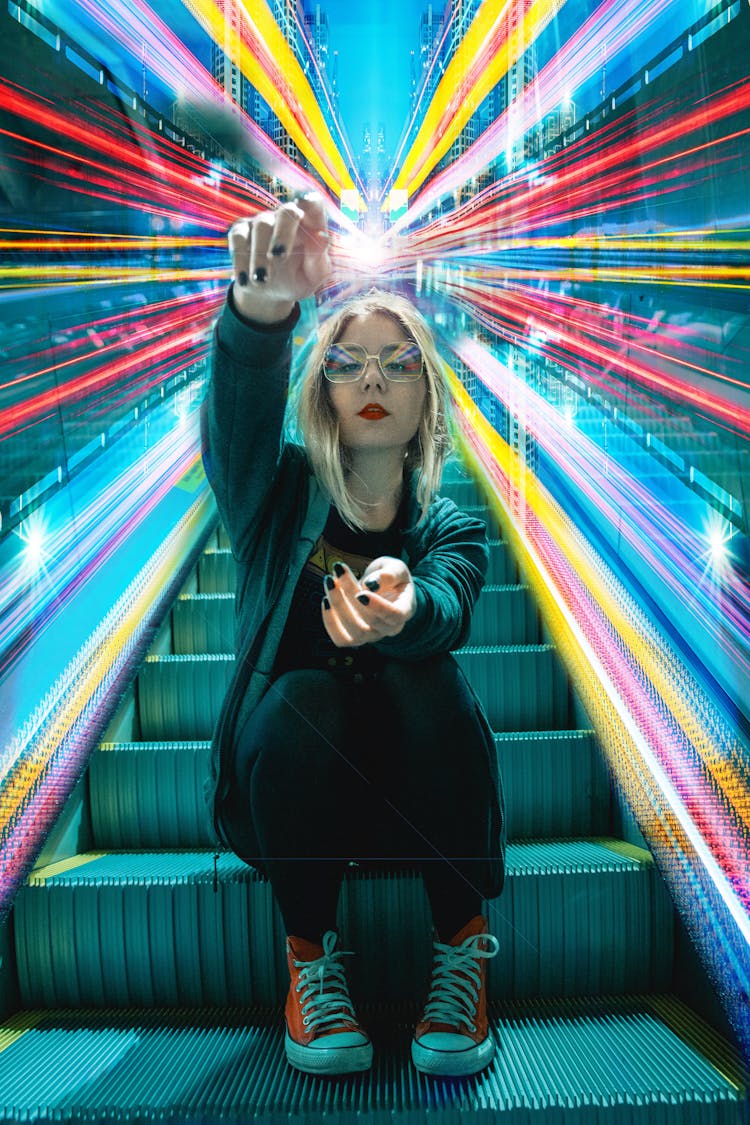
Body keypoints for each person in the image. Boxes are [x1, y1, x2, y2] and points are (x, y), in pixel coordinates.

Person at [201, 193, 506, 1079]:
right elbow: (239, 424)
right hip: (295, 789)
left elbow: (450, 599)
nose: (373, 378)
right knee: (305, 693)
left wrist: (407, 613)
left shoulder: (453, 524)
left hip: (422, 789)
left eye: (397, 362)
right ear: (323, 388)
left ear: (426, 395)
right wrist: (263, 308)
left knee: (424, 673)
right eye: (350, 361)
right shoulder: (276, 498)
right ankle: (308, 961)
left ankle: (460, 944)